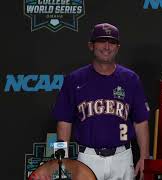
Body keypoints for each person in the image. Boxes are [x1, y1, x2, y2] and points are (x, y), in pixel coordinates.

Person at [53, 23, 150, 180]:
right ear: (91, 45)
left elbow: (141, 122)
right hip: (87, 157)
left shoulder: (131, 79)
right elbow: (64, 122)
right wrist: (60, 158)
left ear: (118, 47)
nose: (107, 47)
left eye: (112, 42)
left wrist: (145, 156)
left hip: (122, 157)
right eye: (101, 41)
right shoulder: (75, 79)